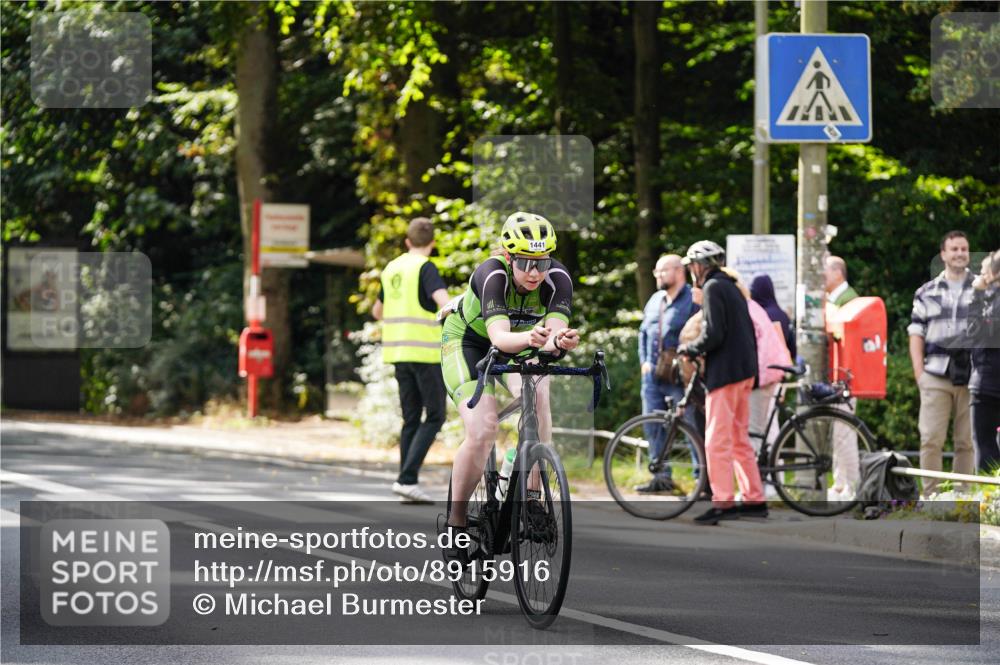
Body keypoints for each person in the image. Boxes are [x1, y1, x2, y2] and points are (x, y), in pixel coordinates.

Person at [440, 212, 579, 536]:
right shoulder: (492, 274)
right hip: (470, 341)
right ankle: (456, 522)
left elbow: (554, 336)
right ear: (508, 256)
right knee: (482, 430)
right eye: (525, 263)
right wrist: (534, 339)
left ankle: (531, 497)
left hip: (523, 340)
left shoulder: (558, 278)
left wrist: (562, 340)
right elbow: (500, 339)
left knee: (540, 396)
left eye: (541, 263)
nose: (534, 273)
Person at [677, 240, 766, 525]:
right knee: (739, 438)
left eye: (691, 265)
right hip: (745, 372)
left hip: (726, 374)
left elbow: (714, 334)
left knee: (717, 440)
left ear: (698, 267)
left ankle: (723, 502)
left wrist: (689, 349)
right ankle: (754, 500)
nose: (691, 271)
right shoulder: (732, 286)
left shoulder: (713, 287)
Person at [373, 217, 451, 504]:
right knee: (435, 415)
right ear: (431, 243)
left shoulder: (391, 268)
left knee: (410, 418)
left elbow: (377, 311)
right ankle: (407, 479)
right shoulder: (425, 268)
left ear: (407, 241)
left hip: (397, 352)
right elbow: (445, 304)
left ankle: (406, 480)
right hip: (426, 353)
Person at [908, 230, 976, 495]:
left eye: (964, 249)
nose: (960, 253)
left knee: (966, 442)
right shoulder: (926, 292)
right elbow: (916, 334)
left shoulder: (984, 288)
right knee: (931, 439)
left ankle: (963, 497)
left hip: (971, 375)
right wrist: (919, 374)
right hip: (935, 374)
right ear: (943, 254)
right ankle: (931, 496)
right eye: (955, 249)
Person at [636, 254, 697, 492]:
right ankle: (661, 478)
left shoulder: (692, 298)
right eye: (656, 272)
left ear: (679, 271)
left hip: (680, 374)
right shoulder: (655, 299)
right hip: (652, 375)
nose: (659, 276)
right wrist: (644, 362)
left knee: (690, 425)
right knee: (652, 425)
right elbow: (642, 332)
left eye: (663, 271)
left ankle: (701, 480)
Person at [725, 269, 791, 459]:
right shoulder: (776, 312)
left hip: (764, 374)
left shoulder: (756, 312)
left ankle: (767, 479)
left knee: (760, 431)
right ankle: (770, 476)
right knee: (769, 426)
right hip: (776, 372)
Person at [824, 255, 864, 500]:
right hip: (840, 373)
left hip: (847, 373)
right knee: (839, 431)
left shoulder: (847, 301)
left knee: (844, 431)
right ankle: (841, 483)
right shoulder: (840, 298)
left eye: (824, 272)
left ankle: (851, 484)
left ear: (838, 273)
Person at [968, 249, 1000, 473]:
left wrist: (976, 295)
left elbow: (974, 332)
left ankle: (992, 503)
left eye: (982, 270)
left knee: (985, 444)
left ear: (992, 274)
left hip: (989, 384)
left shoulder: (991, 300)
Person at [750, 274, 796, 361]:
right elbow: (792, 349)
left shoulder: (758, 316)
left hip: (762, 368)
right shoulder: (783, 315)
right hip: (780, 368)